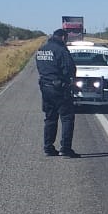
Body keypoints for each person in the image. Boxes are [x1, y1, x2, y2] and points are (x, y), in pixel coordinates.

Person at [36, 29, 80, 158]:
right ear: (62, 37)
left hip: (45, 87)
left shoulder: (42, 49)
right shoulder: (61, 50)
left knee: (50, 118)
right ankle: (65, 149)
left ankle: (48, 148)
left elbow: (40, 67)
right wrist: (70, 83)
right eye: (66, 38)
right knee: (67, 118)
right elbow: (69, 68)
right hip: (60, 89)